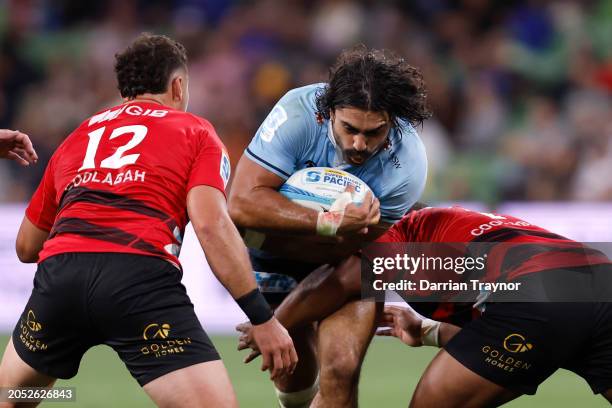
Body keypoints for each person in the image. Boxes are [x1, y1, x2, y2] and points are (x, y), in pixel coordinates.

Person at [0, 33, 296, 408]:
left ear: (125, 89)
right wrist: (262, 318)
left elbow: (27, 247)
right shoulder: (197, 131)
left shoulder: (78, 136)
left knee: (11, 397)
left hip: (61, 281)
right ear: (178, 85)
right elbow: (210, 225)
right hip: (137, 280)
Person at [241, 205, 612, 407]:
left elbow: (338, 283)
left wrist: (271, 323)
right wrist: (429, 331)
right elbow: (502, 328)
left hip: (538, 296)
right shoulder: (451, 237)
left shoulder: (400, 230)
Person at [229, 45, 430, 407]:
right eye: (350, 128)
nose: (359, 143)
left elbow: (355, 266)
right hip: (274, 260)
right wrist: (329, 222)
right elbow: (241, 204)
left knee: (341, 368)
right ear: (328, 113)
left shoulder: (409, 162)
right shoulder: (298, 114)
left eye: (374, 133)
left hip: (340, 267)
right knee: (295, 383)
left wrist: (280, 319)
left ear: (393, 122)